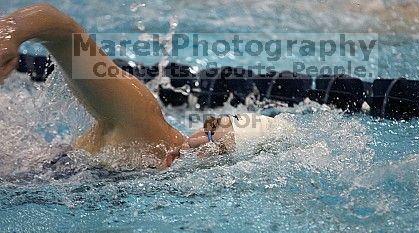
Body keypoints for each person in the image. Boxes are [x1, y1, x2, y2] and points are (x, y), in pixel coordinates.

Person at [0, 4, 282, 170]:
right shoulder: (143, 127)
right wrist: (11, 31)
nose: (198, 143)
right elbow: (60, 29)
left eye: (213, 144)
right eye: (210, 128)